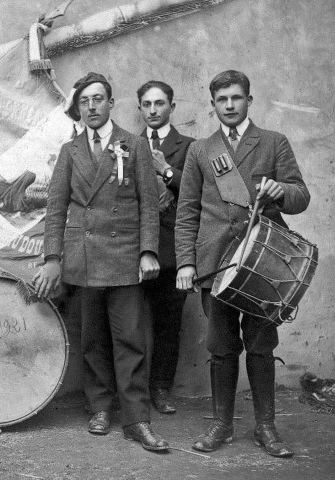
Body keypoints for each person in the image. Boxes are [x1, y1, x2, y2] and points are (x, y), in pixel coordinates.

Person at [175, 70, 310, 457]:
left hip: (263, 262)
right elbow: (186, 214)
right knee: (221, 347)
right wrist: (187, 263)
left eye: (236, 98)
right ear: (212, 104)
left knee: (261, 344)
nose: (229, 106)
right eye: (222, 100)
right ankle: (222, 425)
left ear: (249, 100)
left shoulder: (273, 142)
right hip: (215, 264)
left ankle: (266, 428)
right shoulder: (202, 150)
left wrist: (280, 190)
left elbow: (301, 196)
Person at [34, 72, 168, 452]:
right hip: (85, 258)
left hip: (125, 256)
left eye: (98, 99)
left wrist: (147, 251)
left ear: (111, 103)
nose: (91, 107)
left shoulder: (135, 144)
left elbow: (149, 204)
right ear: (78, 109)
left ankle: (137, 419)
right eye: (84, 102)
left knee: (131, 340)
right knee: (92, 342)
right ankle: (100, 408)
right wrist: (52, 258)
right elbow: (56, 210)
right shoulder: (70, 151)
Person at [136, 80, 194, 414]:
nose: (154, 110)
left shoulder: (189, 146)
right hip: (134, 247)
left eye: (160, 103)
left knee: (168, 324)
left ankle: (161, 389)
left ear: (172, 106)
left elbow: (199, 193)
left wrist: (166, 171)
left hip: (173, 247)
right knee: (130, 323)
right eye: (147, 104)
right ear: (140, 108)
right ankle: (131, 392)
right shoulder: (126, 144)